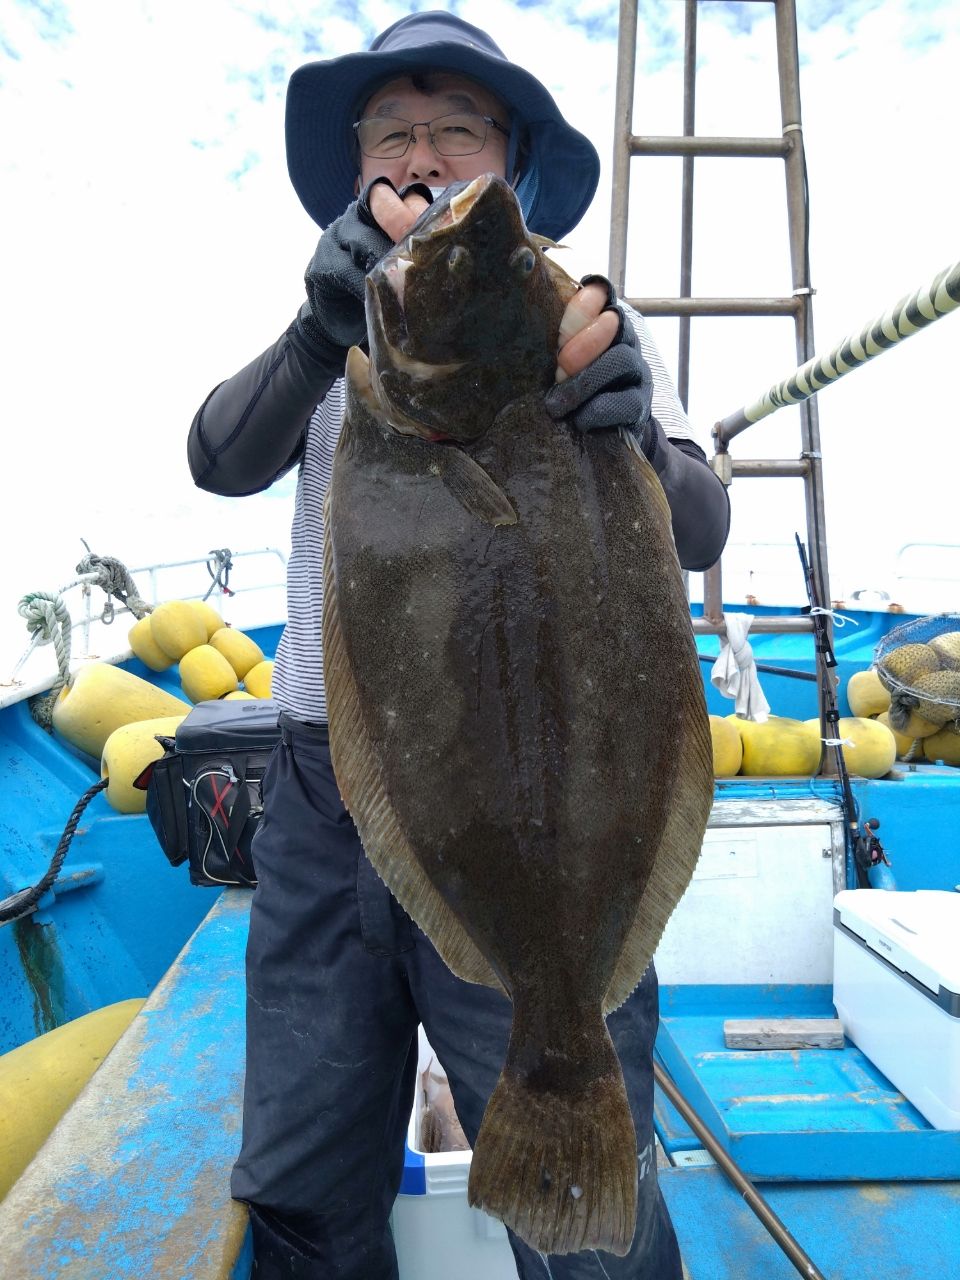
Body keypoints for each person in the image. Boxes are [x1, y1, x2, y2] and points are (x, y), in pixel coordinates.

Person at [188, 12, 729, 1279]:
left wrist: (636, 430)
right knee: (302, 1185)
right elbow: (217, 458)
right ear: (359, 174)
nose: (424, 159)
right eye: (393, 136)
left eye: (458, 133)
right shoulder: (341, 327)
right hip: (329, 804)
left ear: (514, 165)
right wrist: (317, 334)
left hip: (550, 812)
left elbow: (703, 524)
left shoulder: (588, 323)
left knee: (595, 1225)